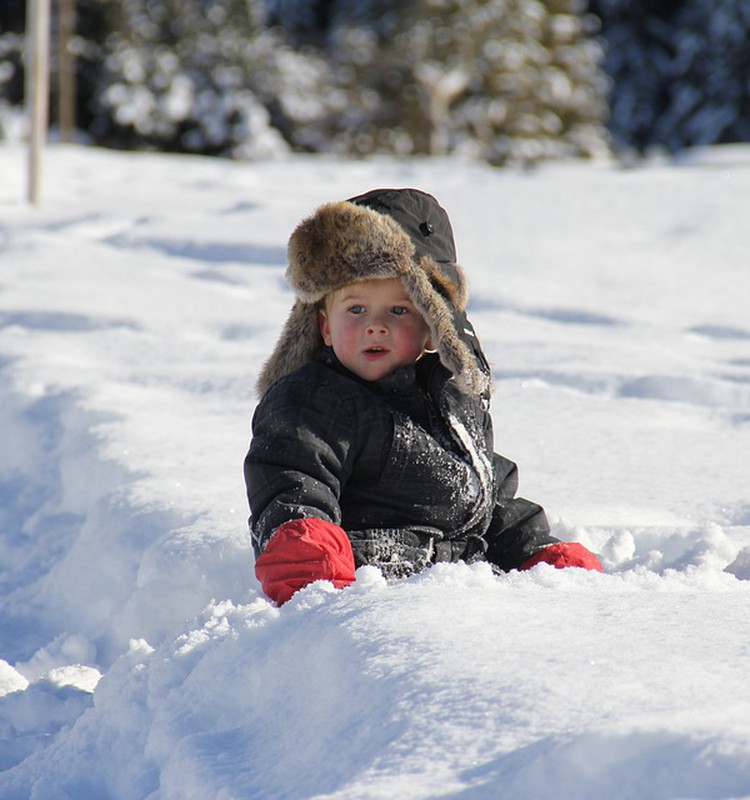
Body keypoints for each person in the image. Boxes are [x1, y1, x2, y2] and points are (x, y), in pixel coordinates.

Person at [244, 188, 602, 605]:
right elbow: (293, 480)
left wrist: (536, 556)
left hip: (462, 594)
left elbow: (488, 506)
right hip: (370, 594)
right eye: (356, 310)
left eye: (398, 311)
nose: (375, 326)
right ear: (324, 327)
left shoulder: (454, 401)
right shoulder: (313, 401)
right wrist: (306, 552)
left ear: (435, 324)